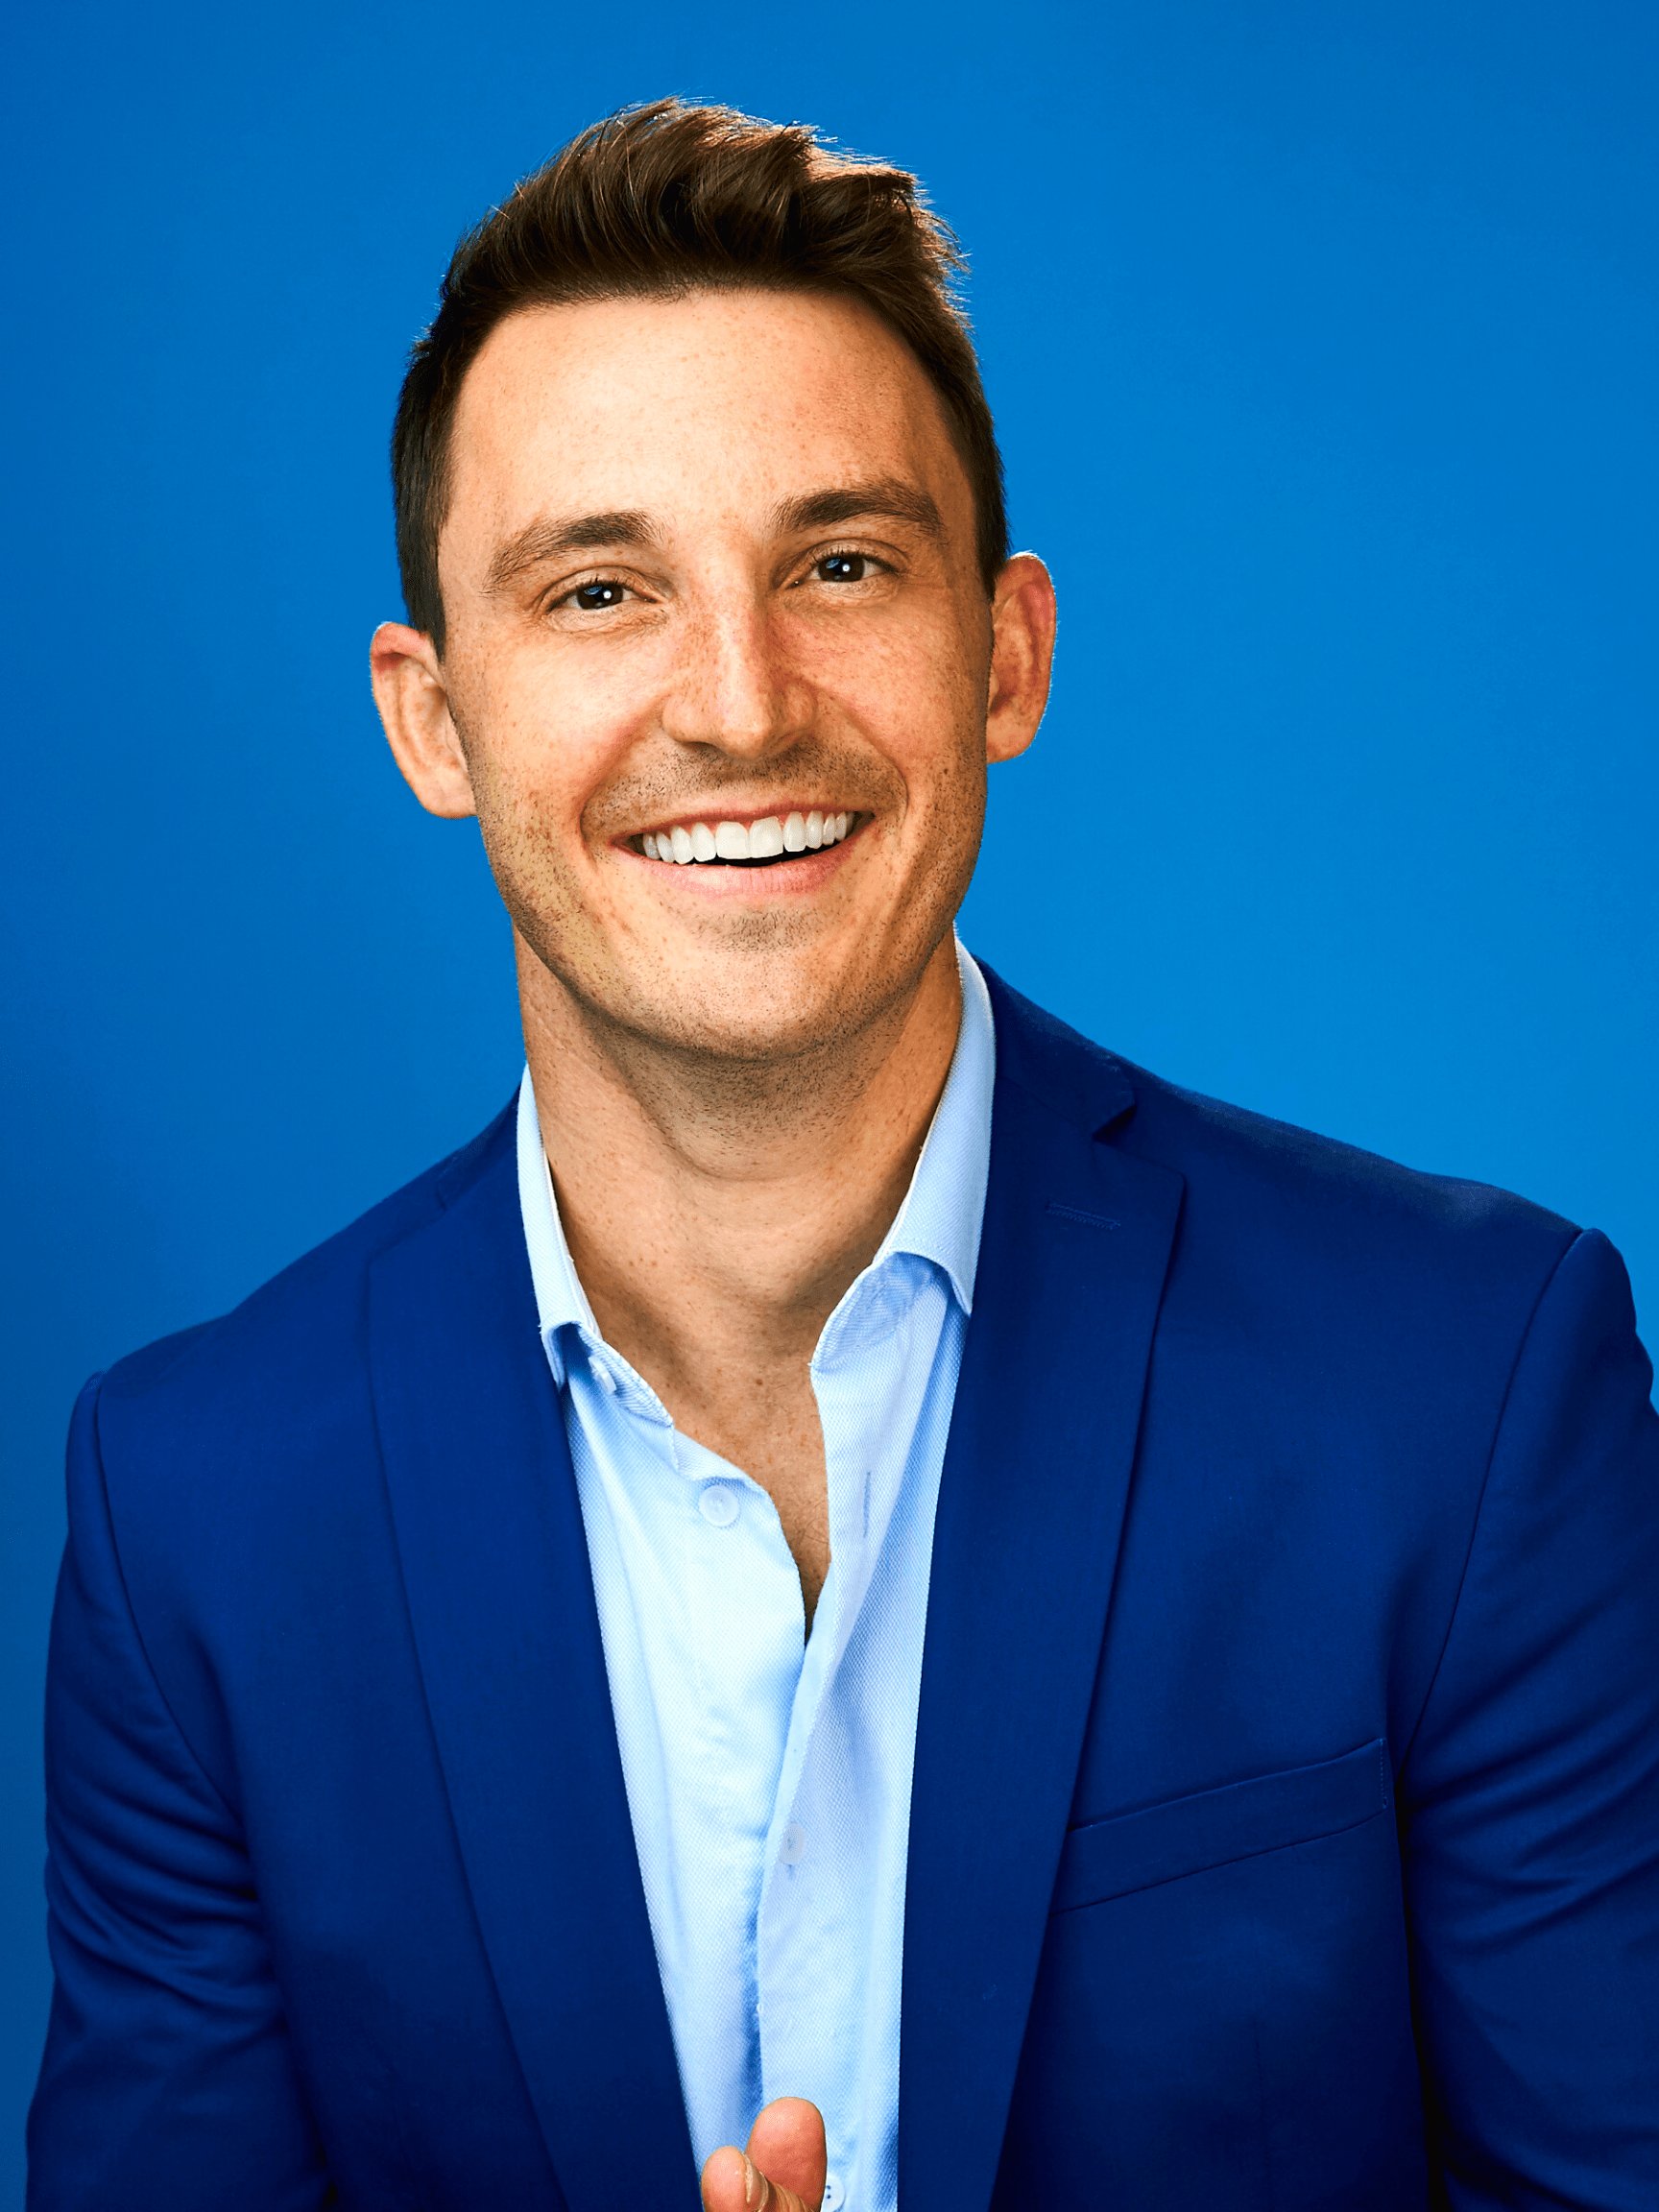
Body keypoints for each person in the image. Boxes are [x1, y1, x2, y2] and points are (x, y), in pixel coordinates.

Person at [26, 97, 1659, 2212]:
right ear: (436, 722)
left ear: (1005, 654)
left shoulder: (1468, 1389)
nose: (738, 703)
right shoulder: (195, 1521)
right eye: (600, 589)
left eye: (843, 565)